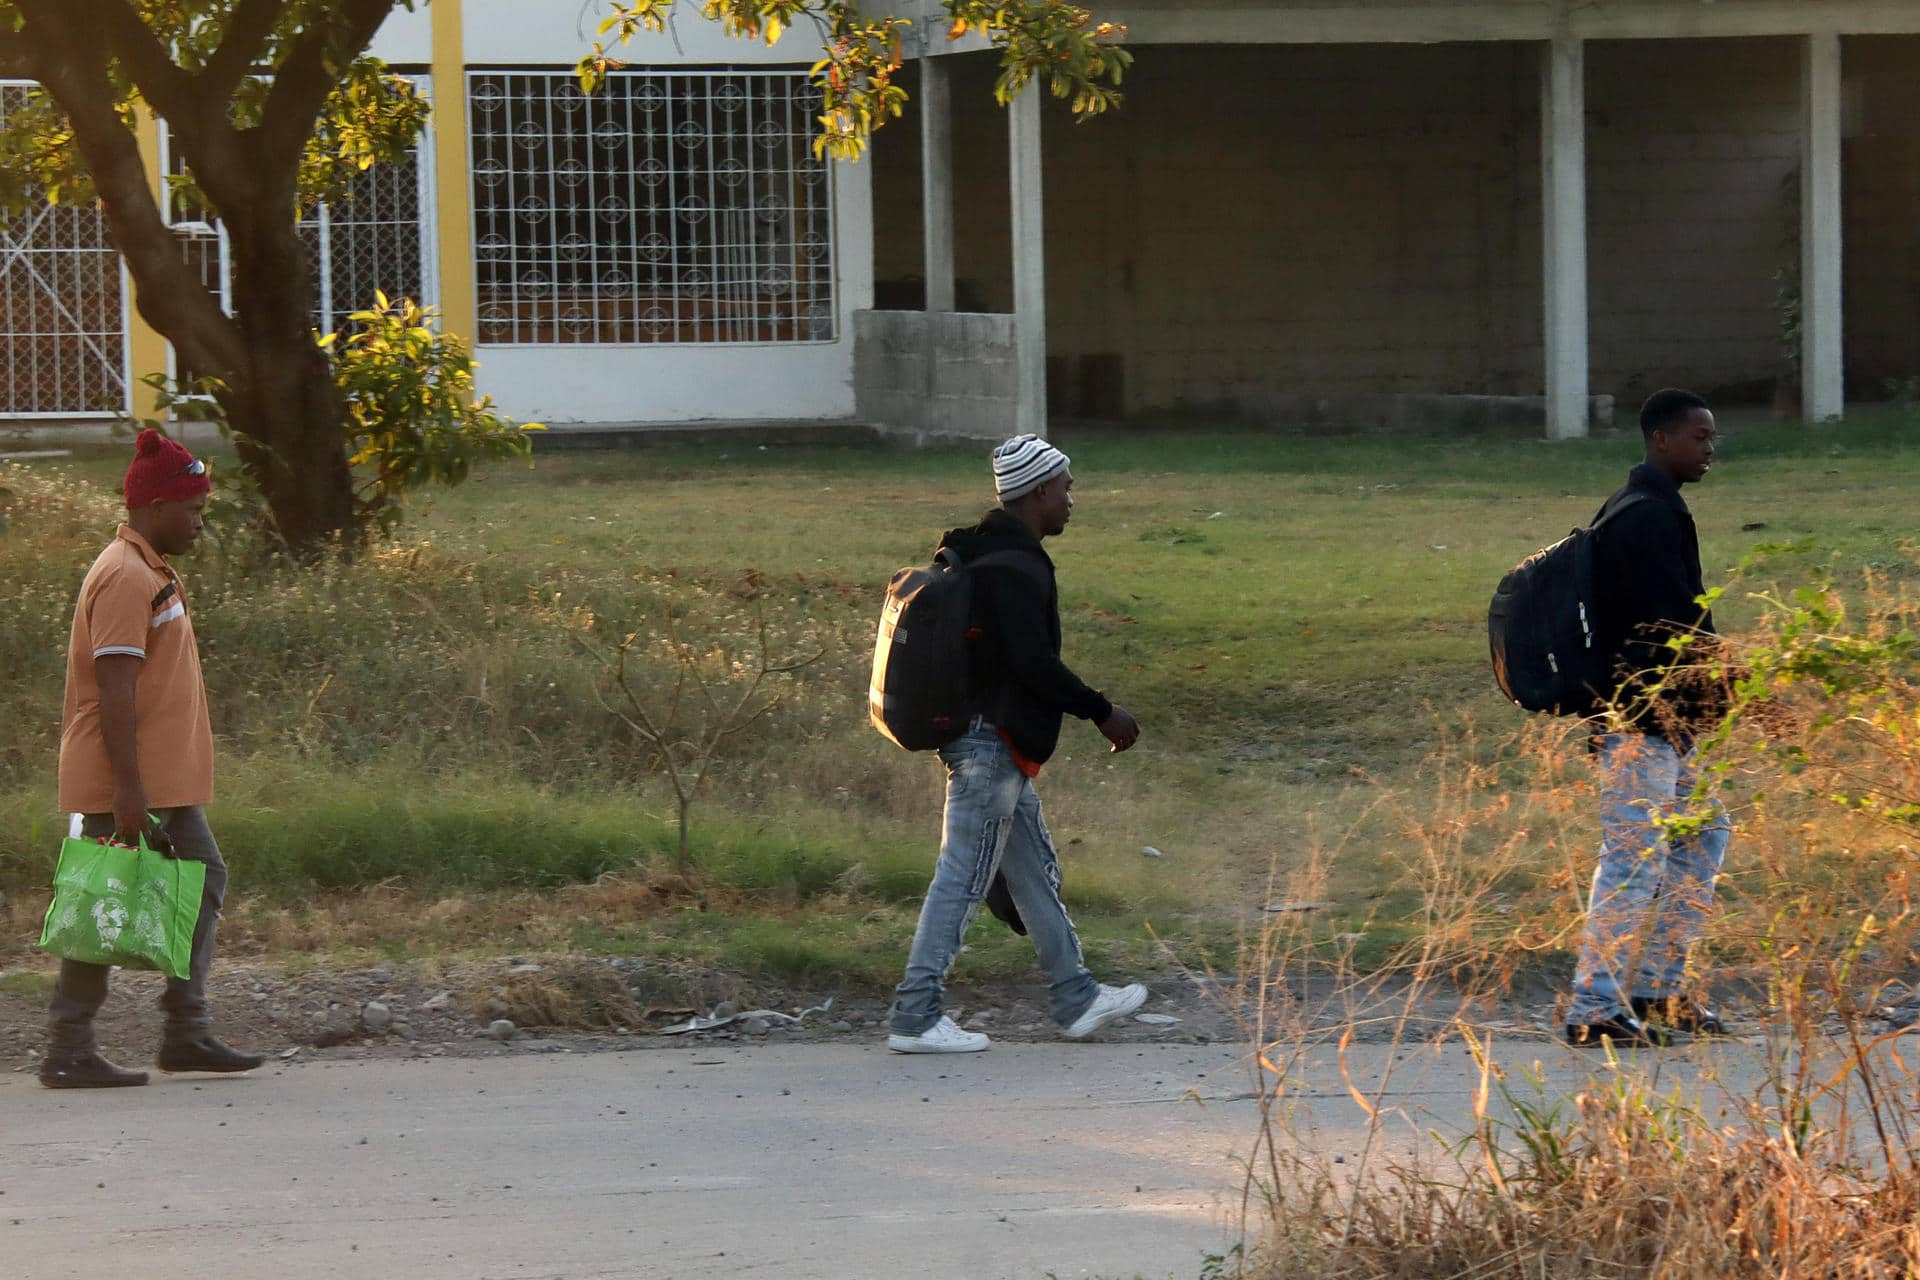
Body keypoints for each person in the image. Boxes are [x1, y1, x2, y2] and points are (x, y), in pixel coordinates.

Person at [886, 434, 1149, 1053]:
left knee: (1031, 873)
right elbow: (1034, 664)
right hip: (989, 747)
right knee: (961, 876)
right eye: (1065, 488)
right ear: (1036, 493)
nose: (1070, 500)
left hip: (990, 742)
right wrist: (1102, 711)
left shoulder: (978, 550)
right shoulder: (1018, 567)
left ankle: (1076, 998)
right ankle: (916, 1015)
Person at [41, 430, 263, 1088]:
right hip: (130, 783)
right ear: (159, 505)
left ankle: (183, 1033)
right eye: (193, 509)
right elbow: (114, 690)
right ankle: (70, 1047)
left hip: (159, 781)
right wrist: (128, 793)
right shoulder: (122, 574)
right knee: (102, 903)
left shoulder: (149, 568)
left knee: (196, 881)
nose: (200, 522)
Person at [1566, 389, 1734, 1049]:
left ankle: (1658, 991)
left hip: (1670, 721)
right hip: (1638, 721)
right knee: (1633, 858)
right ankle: (1594, 1009)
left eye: (1711, 437)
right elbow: (1672, 628)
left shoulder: (1650, 508)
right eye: (1699, 436)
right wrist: (1734, 680)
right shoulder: (1644, 517)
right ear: (1662, 439)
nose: (1709, 449)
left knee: (1702, 835)